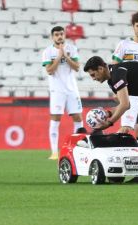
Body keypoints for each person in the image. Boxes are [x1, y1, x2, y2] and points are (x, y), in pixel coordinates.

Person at [42, 26, 86, 160]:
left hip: (72, 89)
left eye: (61, 34)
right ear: (52, 37)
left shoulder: (72, 49)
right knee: (55, 119)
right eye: (56, 34)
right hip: (57, 90)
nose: (59, 37)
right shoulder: (48, 52)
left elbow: (77, 67)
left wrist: (65, 56)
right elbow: (49, 70)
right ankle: (54, 152)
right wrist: (59, 57)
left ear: (64, 35)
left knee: (78, 118)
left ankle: (75, 149)